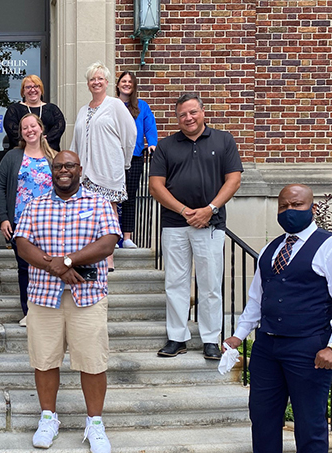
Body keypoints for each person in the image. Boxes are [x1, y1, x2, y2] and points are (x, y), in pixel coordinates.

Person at [224, 184, 332, 453]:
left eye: (297, 205)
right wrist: (238, 335)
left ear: (311, 207)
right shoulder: (270, 249)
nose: (289, 210)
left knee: (310, 425)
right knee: (263, 420)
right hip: (266, 348)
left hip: (309, 347)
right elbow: (257, 299)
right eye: (283, 206)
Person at [14, 150, 120, 453]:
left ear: (79, 169)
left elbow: (108, 241)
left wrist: (69, 260)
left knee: (93, 361)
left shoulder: (98, 203)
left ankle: (95, 423)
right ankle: (49, 417)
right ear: (52, 170)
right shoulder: (36, 205)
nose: (63, 170)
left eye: (69, 165)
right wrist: (55, 266)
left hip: (87, 296)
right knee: (44, 360)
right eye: (58, 166)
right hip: (44, 297)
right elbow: (22, 244)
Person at [149, 93, 243, 360]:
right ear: (177, 118)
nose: (188, 118)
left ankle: (211, 339)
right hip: (174, 224)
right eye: (182, 115)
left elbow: (233, 180)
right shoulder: (167, 146)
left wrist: (209, 210)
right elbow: (155, 186)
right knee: (175, 283)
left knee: (210, 283)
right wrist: (183, 210)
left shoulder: (223, 140)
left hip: (210, 224)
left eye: (192, 112)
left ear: (203, 112)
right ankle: (177, 338)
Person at [70, 61, 136, 269]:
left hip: (108, 168)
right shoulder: (83, 110)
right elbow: (76, 140)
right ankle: (88, 255)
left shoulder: (115, 105)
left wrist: (123, 160)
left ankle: (108, 257)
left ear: (107, 82)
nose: (96, 82)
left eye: (100, 78)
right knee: (86, 213)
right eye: (92, 79)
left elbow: (130, 133)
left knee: (109, 212)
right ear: (88, 84)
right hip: (86, 172)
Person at [0, 113, 57, 327]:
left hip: (50, 223)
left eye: (33, 126)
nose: (29, 130)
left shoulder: (54, 157)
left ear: (41, 128)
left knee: (48, 265)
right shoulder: (12, 157)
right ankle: (29, 311)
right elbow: (0, 187)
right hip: (21, 223)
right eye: (25, 128)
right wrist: (4, 218)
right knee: (25, 267)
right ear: (21, 133)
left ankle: (49, 310)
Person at [116, 71, 158, 249]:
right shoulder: (111, 105)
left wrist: (152, 143)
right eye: (123, 81)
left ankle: (126, 237)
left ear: (134, 86)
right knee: (112, 198)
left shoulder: (142, 106)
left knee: (129, 198)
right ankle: (113, 237)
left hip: (135, 157)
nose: (126, 84)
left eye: (130, 82)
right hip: (114, 158)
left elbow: (150, 127)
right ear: (118, 84)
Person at [3, 74, 66, 152]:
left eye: (36, 86)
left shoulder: (53, 109)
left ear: (41, 89)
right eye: (28, 87)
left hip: (49, 154)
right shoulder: (14, 110)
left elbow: (59, 127)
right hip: (22, 154)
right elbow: (12, 132)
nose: (32, 90)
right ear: (23, 91)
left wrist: (43, 141)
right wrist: (31, 142)